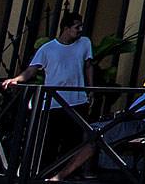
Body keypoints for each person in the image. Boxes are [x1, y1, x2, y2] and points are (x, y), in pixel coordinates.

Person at [7, 13, 95, 180]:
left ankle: (66, 174)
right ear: (66, 28)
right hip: (55, 102)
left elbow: (88, 65)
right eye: (77, 27)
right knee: (50, 140)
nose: (80, 30)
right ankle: (43, 173)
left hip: (77, 101)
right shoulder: (48, 49)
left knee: (74, 141)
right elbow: (31, 70)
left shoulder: (84, 43)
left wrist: (91, 89)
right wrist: (16, 80)